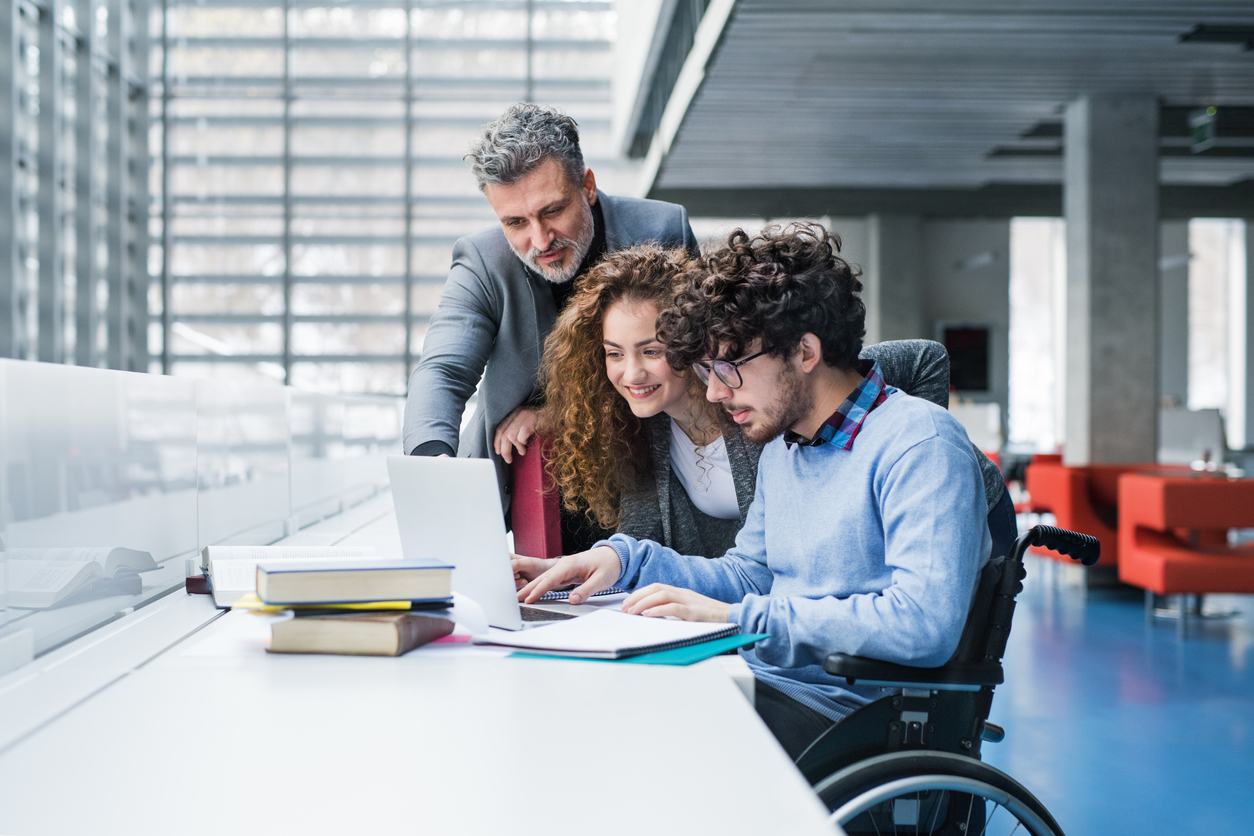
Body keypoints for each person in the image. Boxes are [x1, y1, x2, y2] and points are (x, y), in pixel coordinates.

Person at [516, 223, 992, 760]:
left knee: (631, 727)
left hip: (853, 717)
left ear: (805, 352)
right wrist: (625, 559)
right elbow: (750, 575)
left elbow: (922, 624)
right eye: (706, 370)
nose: (715, 391)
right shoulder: (786, 449)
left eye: (729, 368)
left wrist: (737, 619)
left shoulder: (919, 444)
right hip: (771, 682)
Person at [536, 244, 967, 560]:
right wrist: (608, 562)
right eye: (614, 353)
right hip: (757, 610)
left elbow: (920, 361)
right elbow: (664, 547)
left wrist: (894, 464)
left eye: (652, 351)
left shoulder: (775, 401)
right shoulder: (641, 426)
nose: (631, 374)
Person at [401, 103, 699, 544]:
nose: (539, 241)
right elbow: (442, 370)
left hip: (648, 465)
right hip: (534, 478)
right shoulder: (483, 261)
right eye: (515, 222)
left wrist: (556, 413)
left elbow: (691, 363)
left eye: (553, 211)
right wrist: (432, 466)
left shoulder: (661, 229)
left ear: (588, 186)